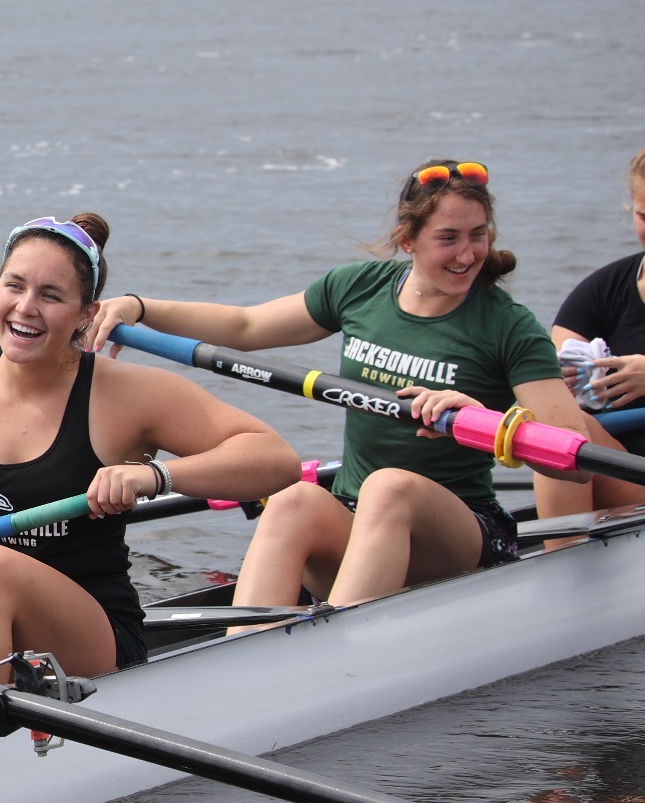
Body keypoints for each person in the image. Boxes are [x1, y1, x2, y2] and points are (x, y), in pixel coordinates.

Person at [0, 214, 300, 728]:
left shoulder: (129, 395)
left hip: (88, 639)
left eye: (51, 295)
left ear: (85, 314)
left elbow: (274, 459)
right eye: (14, 286)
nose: (26, 308)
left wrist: (156, 478)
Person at [87, 161, 584, 611]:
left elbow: (572, 458)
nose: (468, 254)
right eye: (448, 238)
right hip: (357, 519)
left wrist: (483, 418)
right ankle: (246, 655)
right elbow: (245, 327)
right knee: (290, 500)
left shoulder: (508, 326)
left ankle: (334, 652)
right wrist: (141, 306)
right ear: (408, 241)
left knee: (389, 487)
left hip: (459, 536)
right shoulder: (361, 288)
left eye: (479, 236)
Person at [534, 149, 645, 519]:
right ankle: (561, 553)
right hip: (628, 475)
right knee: (555, 421)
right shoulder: (603, 289)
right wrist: (560, 377)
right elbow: (547, 375)